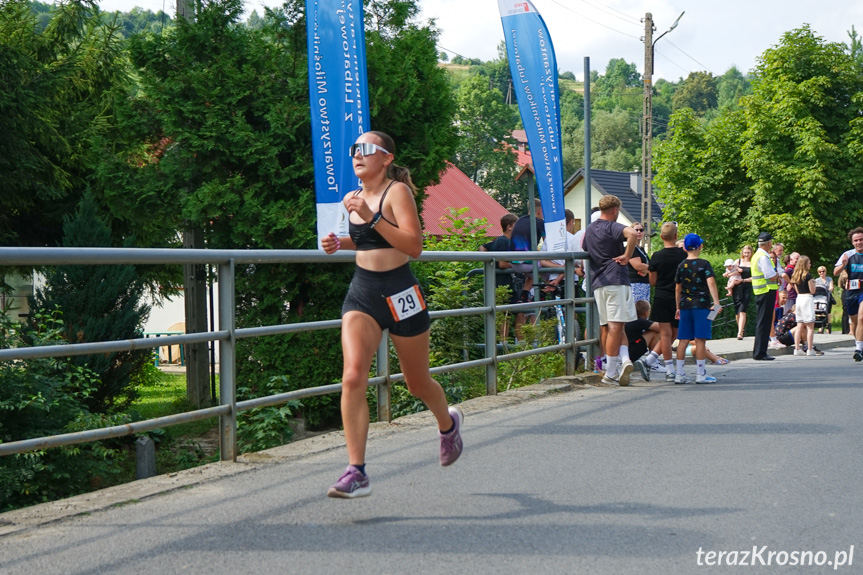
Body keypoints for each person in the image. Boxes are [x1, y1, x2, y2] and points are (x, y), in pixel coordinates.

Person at [320, 131, 463, 498]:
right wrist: (341, 242)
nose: (357, 155)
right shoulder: (351, 197)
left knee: (417, 383)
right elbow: (369, 239)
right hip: (363, 293)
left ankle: (448, 426)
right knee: (352, 376)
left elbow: (413, 245)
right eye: (354, 149)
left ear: (385, 159)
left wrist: (369, 217)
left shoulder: (396, 192)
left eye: (366, 149)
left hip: (401, 292)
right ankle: (357, 471)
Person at [582, 194, 638, 386]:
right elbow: (632, 233)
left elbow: (585, 249)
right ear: (615, 210)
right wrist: (626, 254)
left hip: (598, 281)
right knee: (616, 326)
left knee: (609, 326)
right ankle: (611, 372)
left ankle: (621, 362)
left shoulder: (590, 229)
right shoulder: (613, 226)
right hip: (616, 278)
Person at [673, 234, 721, 384]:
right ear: (700, 246)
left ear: (685, 248)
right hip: (701, 305)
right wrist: (716, 302)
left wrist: (677, 307)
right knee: (700, 340)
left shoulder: (681, 265)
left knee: (683, 340)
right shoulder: (704, 264)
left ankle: (679, 374)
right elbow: (711, 283)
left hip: (685, 306)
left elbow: (677, 288)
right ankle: (701, 374)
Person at [648, 222, 688, 380]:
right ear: (676, 236)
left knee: (665, 334)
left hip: (662, 296)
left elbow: (652, 281)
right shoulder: (683, 255)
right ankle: (668, 366)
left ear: (661, 237)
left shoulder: (657, 256)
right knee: (676, 332)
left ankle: (669, 368)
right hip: (679, 298)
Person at [480, 213, 518, 340]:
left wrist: (489, 262)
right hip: (503, 283)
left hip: (501, 282)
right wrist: (518, 266)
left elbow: (483, 248)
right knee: (504, 316)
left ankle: (502, 344)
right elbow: (502, 263)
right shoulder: (503, 242)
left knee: (506, 315)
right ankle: (503, 345)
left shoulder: (499, 241)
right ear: (509, 227)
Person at [832, 227, 863, 361]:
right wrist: (843, 265)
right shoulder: (848, 255)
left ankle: (858, 349)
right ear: (852, 242)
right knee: (855, 323)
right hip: (851, 291)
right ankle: (860, 345)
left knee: (862, 318)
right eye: (856, 240)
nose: (859, 242)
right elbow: (835, 273)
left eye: (861, 240)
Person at [751, 232, 781, 360]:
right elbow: (770, 275)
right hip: (766, 291)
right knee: (764, 323)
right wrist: (778, 276)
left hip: (762, 292)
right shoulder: (763, 257)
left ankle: (760, 351)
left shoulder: (757, 255)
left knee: (763, 322)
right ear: (768, 243)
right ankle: (760, 353)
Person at [789, 255, 822, 356]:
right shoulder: (808, 276)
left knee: (799, 324)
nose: (810, 264)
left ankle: (797, 348)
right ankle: (810, 349)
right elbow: (812, 290)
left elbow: (797, 290)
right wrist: (814, 284)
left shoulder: (795, 276)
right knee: (810, 326)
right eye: (809, 263)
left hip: (799, 298)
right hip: (807, 299)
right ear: (805, 264)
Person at [625, 300, 661, 380]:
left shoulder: (631, 319)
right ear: (646, 313)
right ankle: (653, 362)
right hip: (632, 352)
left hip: (626, 351)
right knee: (654, 333)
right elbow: (660, 328)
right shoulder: (640, 321)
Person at [732, 245, 754, 340]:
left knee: (742, 310)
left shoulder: (753, 263)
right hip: (737, 288)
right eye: (745, 253)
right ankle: (741, 328)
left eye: (748, 253)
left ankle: (740, 332)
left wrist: (744, 280)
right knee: (737, 311)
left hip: (746, 287)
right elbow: (731, 270)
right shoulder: (738, 261)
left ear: (751, 253)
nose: (746, 254)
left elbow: (755, 277)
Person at [628, 223, 651, 302]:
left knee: (644, 311)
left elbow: (645, 266)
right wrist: (652, 269)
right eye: (636, 230)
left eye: (641, 230)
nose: (639, 232)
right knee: (637, 310)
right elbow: (638, 266)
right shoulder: (631, 248)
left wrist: (647, 269)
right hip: (635, 284)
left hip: (644, 284)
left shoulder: (641, 249)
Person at [815, 265, 834, 334]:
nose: (821, 273)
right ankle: (820, 327)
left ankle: (828, 324)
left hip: (827, 296)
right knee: (819, 311)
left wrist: (828, 290)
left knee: (828, 312)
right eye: (820, 272)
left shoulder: (829, 279)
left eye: (823, 271)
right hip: (819, 298)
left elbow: (831, 287)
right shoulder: (816, 280)